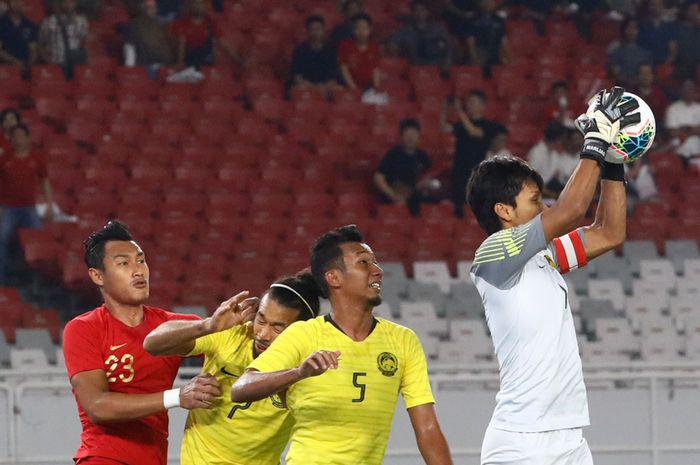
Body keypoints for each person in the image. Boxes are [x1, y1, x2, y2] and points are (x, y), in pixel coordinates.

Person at [466, 87, 639, 464]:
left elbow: (610, 232)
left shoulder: (543, 256)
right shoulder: (492, 256)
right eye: (535, 200)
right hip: (520, 442)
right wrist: (594, 138)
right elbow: (573, 208)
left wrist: (612, 159)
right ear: (504, 211)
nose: (545, 207)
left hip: (570, 440)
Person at [231, 225, 453, 465]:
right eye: (364, 263)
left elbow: (427, 427)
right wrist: (298, 373)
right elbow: (241, 388)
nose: (377, 271)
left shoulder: (403, 340)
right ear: (334, 278)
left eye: (375, 263)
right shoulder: (304, 334)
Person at [62, 220, 228, 465]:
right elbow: (98, 406)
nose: (138, 270)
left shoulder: (172, 328)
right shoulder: (83, 329)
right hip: (102, 457)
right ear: (97, 275)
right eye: (123, 263)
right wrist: (177, 397)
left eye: (141, 260)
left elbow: (237, 349)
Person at [142, 272, 320, 465]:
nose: (263, 334)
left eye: (277, 328)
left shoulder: (306, 369)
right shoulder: (231, 334)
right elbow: (152, 343)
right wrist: (209, 324)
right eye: (261, 319)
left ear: (300, 331)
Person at [0, 124, 53, 283]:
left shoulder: (36, 159)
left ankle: (38, 280)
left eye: (22, 136)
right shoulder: (4, 159)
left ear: (28, 138)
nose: (19, 139)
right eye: (15, 136)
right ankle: (1, 277)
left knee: (39, 243)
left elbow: (44, 181)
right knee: (1, 239)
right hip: (8, 208)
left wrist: (49, 203)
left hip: (29, 208)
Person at [441, 90, 502, 217]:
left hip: (476, 172)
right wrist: (444, 108)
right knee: (458, 206)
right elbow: (444, 128)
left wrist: (460, 112)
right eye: (469, 102)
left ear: (482, 105)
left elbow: (474, 132)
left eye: (473, 102)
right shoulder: (461, 124)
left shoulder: (488, 125)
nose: (470, 105)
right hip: (459, 170)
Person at [374, 118, 432, 216]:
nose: (411, 138)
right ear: (401, 136)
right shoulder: (392, 155)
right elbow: (378, 177)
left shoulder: (423, 156)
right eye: (408, 135)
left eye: (414, 135)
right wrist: (393, 195)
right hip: (394, 198)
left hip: (416, 197)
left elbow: (429, 176)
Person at [170, 0, 237, 68]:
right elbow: (181, 45)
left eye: (200, 3)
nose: (198, 6)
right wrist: (180, 63)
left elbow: (224, 43)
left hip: (205, 61)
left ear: (205, 6)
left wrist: (237, 60)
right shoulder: (182, 23)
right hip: (189, 61)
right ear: (190, 6)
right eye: (195, 3)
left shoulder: (211, 23)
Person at [390, 0, 451, 70]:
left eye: (423, 10)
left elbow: (448, 50)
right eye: (416, 10)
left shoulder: (439, 29)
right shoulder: (406, 30)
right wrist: (393, 46)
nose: (419, 13)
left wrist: (446, 66)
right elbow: (393, 41)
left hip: (436, 68)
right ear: (412, 13)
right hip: (416, 68)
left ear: (428, 12)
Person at [39, 0, 89, 79]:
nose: (69, 5)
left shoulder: (81, 20)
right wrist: (47, 60)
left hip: (75, 63)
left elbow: (85, 42)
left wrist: (84, 60)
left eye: (72, 2)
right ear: (60, 3)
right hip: (57, 63)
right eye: (66, 2)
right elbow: (41, 43)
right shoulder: (49, 21)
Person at [290, 15, 338, 96]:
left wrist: (325, 87)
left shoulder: (331, 50)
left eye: (318, 29)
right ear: (307, 31)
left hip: (326, 87)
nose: (316, 32)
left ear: (323, 30)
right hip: (306, 86)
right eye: (313, 29)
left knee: (341, 91)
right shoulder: (299, 50)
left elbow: (333, 77)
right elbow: (298, 77)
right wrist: (315, 88)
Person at [123, 0, 174, 68]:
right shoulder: (134, 26)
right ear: (142, 9)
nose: (153, 10)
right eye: (150, 7)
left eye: (154, 7)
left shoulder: (159, 26)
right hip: (142, 69)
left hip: (161, 67)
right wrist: (130, 70)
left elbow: (166, 52)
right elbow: (129, 48)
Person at [337, 13, 381, 91]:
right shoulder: (345, 45)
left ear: (370, 30)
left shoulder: (374, 47)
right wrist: (353, 88)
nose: (361, 32)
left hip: (369, 87)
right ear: (353, 30)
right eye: (357, 28)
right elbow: (344, 69)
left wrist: (376, 87)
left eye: (364, 28)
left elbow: (376, 70)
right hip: (349, 87)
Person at [526, 121, 568, 199]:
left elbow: (559, 176)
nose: (563, 143)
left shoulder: (555, 154)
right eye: (562, 140)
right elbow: (531, 182)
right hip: (536, 195)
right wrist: (551, 194)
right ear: (557, 139)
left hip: (551, 193)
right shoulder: (536, 152)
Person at [608, 18, 653, 87]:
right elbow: (616, 74)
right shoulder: (616, 52)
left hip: (641, 90)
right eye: (629, 28)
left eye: (634, 28)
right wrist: (630, 83)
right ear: (624, 30)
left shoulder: (646, 53)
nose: (631, 31)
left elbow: (647, 75)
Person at [666, 80, 700, 167]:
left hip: (696, 151)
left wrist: (683, 129)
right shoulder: (672, 109)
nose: (688, 91)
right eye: (686, 89)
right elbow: (672, 132)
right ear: (681, 91)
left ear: (694, 91)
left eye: (691, 89)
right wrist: (694, 129)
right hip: (678, 153)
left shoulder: (698, 108)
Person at [0, 0, 38, 76]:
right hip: (6, 70)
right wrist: (15, 62)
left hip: (26, 70)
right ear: (10, 4)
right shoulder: (2, 23)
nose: (19, 4)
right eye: (15, 2)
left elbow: (33, 49)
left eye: (21, 2)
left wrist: (29, 64)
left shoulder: (30, 25)